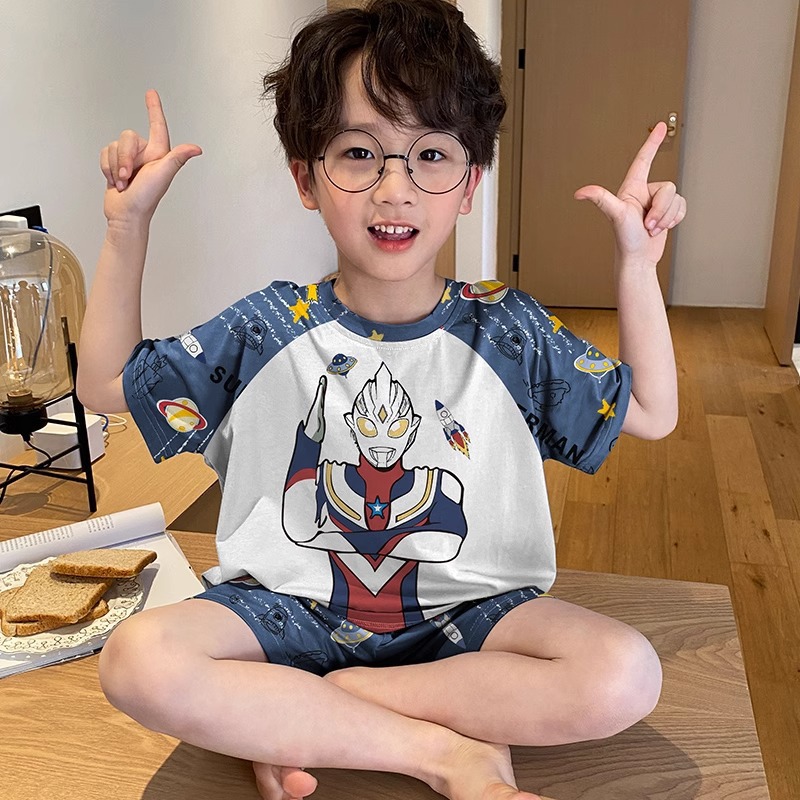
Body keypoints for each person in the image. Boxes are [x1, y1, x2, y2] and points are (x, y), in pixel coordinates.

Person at [77, 1, 686, 799]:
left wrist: (637, 264)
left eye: (431, 154)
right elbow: (105, 387)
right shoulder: (268, 328)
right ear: (306, 178)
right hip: (289, 618)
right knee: (136, 661)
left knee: (625, 674)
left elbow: (652, 414)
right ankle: (446, 752)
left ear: (469, 184)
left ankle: (305, 714)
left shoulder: (507, 330)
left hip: (470, 624)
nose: (394, 190)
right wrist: (127, 228)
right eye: (359, 153)